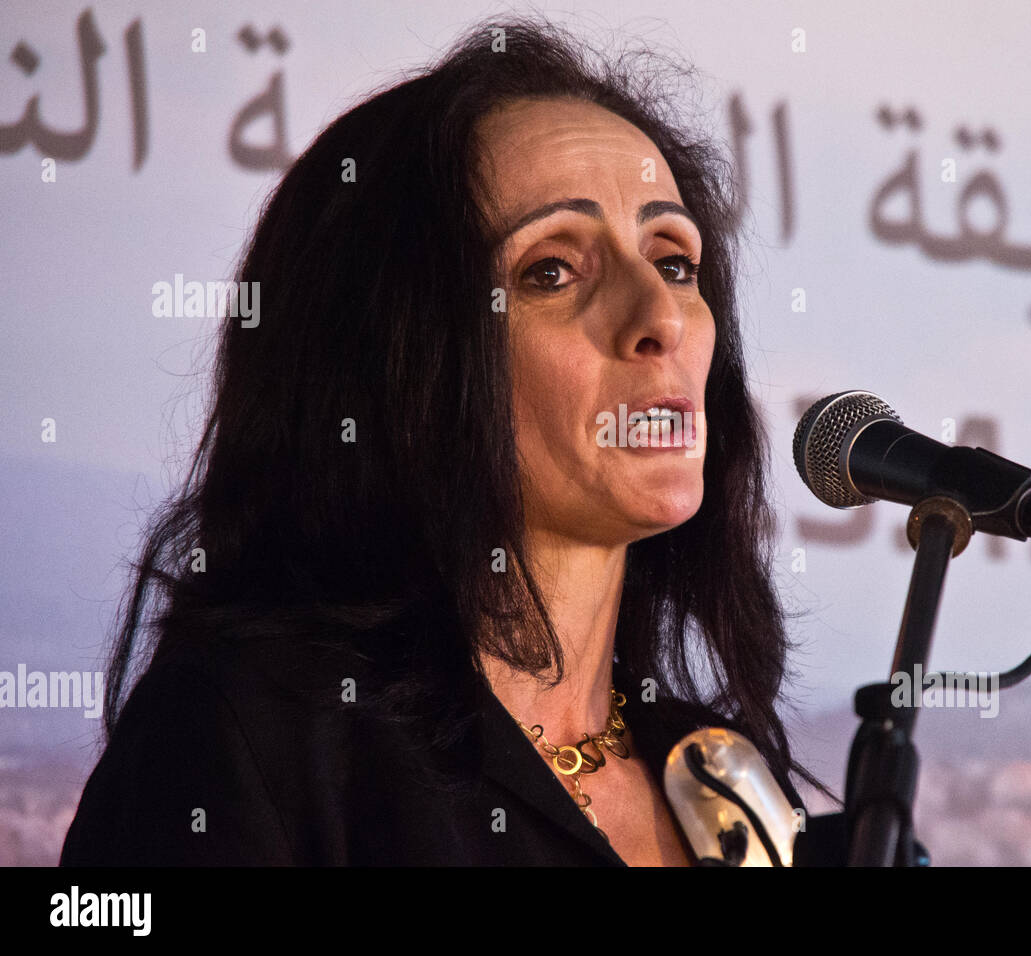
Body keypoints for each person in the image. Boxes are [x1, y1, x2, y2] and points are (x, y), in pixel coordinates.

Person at [59, 14, 834, 867]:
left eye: (674, 262)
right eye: (551, 270)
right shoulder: (252, 734)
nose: (659, 319)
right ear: (400, 358)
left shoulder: (724, 777)